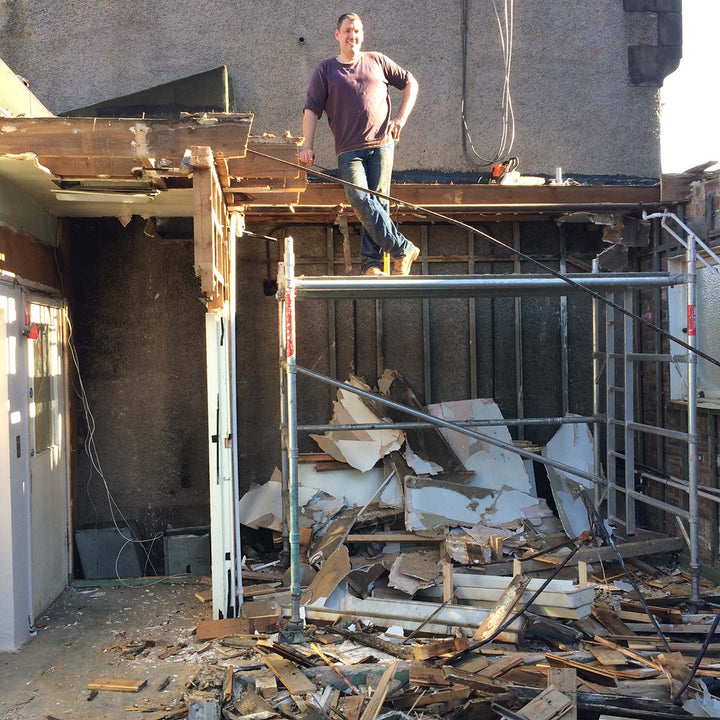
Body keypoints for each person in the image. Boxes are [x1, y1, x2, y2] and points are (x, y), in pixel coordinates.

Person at [299, 12, 420, 276]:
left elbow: (410, 82)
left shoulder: (377, 60)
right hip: (348, 150)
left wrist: (400, 118)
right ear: (337, 35)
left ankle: (372, 265)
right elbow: (311, 109)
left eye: (356, 31)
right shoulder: (326, 70)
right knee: (359, 197)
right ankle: (403, 249)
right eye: (347, 31)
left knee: (377, 203)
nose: (352, 36)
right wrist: (306, 144)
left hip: (382, 144)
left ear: (361, 35)